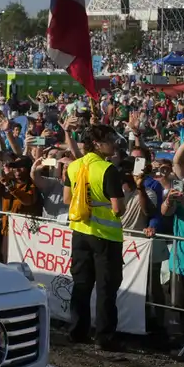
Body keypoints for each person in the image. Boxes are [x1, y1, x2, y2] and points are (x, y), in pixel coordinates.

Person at [63, 124, 125, 350]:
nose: (115, 143)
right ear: (97, 144)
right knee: (106, 288)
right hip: (105, 237)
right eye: (110, 139)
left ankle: (77, 332)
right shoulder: (108, 169)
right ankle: (104, 338)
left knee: (81, 284)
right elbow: (118, 209)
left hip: (80, 232)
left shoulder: (74, 166)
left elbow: (67, 199)